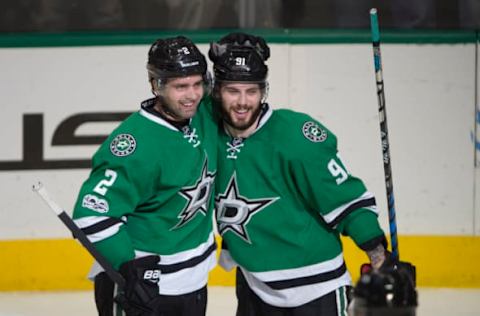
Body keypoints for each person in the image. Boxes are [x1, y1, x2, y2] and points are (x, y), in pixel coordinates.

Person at [208, 32, 395, 315]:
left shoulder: (295, 134)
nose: (243, 102)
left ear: (263, 91)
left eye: (252, 91)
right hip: (253, 284)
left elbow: (344, 197)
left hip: (316, 288)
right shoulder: (209, 133)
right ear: (217, 90)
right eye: (233, 91)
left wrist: (378, 255)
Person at [72, 35, 218, 316]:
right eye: (180, 86)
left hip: (193, 282)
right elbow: (91, 214)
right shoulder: (134, 145)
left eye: (198, 84)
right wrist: (130, 269)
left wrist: (237, 56)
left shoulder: (203, 114)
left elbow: (240, 97)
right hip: (144, 290)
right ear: (156, 85)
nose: (192, 95)